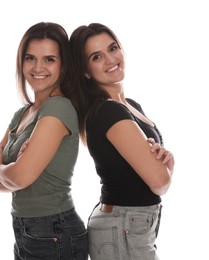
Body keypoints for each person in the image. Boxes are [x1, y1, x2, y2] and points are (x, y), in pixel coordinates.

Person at [0, 22, 88, 260]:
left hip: (54, 232)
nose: (38, 67)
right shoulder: (22, 115)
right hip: (26, 231)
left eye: (49, 59)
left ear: (64, 65)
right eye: (30, 58)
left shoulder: (58, 108)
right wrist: (9, 172)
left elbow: (17, 178)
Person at [69, 23, 174, 260]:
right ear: (85, 70)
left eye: (113, 48)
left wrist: (167, 165)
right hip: (123, 228)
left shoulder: (130, 106)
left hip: (129, 226)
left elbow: (159, 178)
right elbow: (159, 182)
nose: (110, 59)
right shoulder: (108, 112)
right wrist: (164, 172)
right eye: (97, 57)